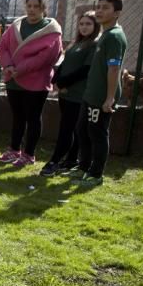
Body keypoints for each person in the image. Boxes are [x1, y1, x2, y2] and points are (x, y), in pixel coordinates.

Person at [67, 0, 128, 187]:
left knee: (97, 134)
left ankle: (96, 174)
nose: (100, 10)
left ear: (117, 13)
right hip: (90, 94)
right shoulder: (105, 34)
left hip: (102, 97)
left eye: (106, 8)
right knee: (82, 130)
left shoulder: (114, 36)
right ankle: (83, 167)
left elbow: (114, 68)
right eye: (99, 6)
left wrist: (109, 98)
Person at [0, 0, 63, 167]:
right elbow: (3, 47)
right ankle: (14, 149)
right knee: (17, 117)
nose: (32, 10)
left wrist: (21, 69)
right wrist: (8, 65)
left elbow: (48, 56)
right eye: (29, 6)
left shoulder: (52, 30)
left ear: (43, 9)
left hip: (36, 81)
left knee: (33, 117)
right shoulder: (16, 25)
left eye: (36, 6)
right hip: (13, 79)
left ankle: (29, 154)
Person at [39, 11, 100, 177]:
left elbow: (85, 70)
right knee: (72, 129)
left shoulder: (94, 44)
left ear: (96, 26)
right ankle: (71, 160)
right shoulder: (77, 43)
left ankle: (54, 161)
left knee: (66, 130)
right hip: (65, 94)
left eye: (88, 24)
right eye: (81, 24)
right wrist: (56, 81)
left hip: (78, 95)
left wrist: (63, 83)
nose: (84, 27)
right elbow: (65, 64)